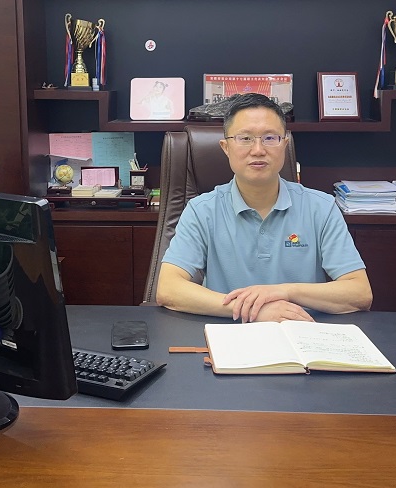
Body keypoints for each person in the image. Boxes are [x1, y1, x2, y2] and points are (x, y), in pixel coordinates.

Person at [156, 93, 372, 323]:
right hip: (229, 333)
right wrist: (254, 311)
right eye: (245, 138)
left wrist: (284, 291)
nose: (258, 150)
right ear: (226, 147)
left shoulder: (321, 208)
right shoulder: (201, 210)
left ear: (284, 145)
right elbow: (168, 289)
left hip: (301, 334)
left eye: (270, 138)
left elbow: (360, 293)